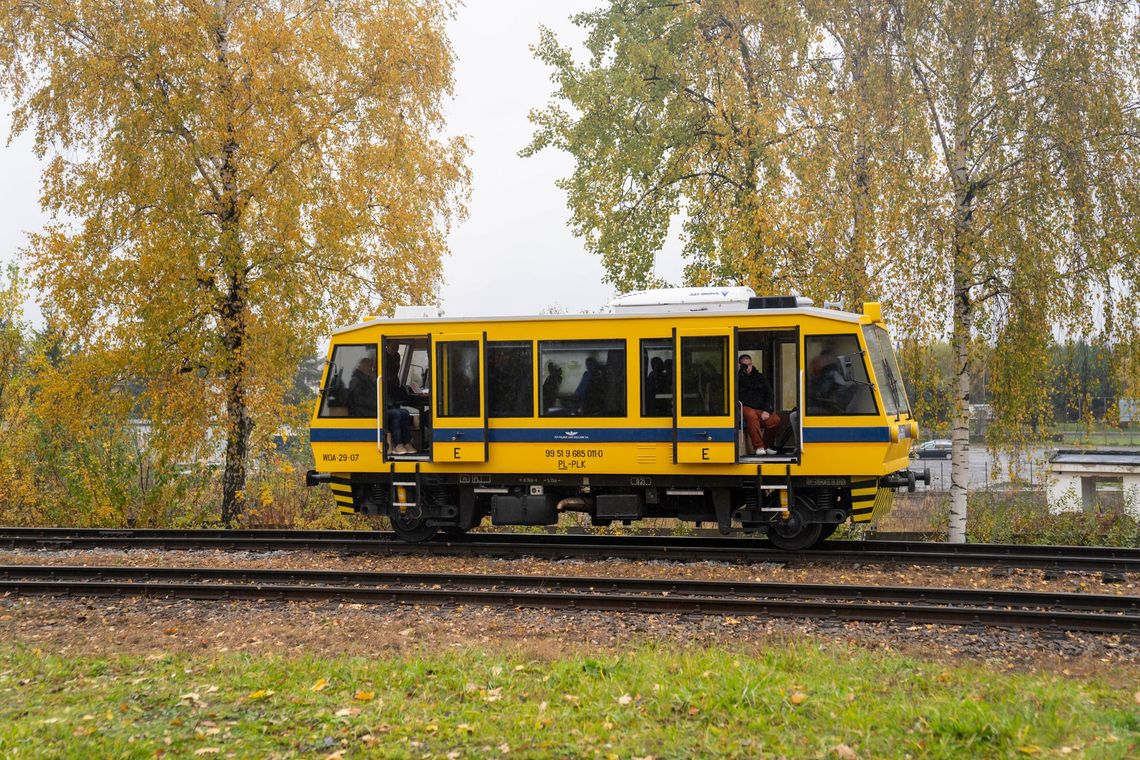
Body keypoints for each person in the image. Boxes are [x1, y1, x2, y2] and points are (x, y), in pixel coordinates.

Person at [738, 353, 781, 455]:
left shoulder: (760, 377)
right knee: (751, 415)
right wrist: (741, 375)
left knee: (775, 420)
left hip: (760, 409)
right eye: (744, 365)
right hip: (743, 407)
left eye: (749, 364)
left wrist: (767, 410)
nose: (747, 367)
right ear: (739, 365)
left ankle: (766, 446)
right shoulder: (736, 378)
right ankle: (759, 447)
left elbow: (769, 394)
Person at [382, 342, 415, 455]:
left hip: (393, 390)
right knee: (397, 413)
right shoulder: (383, 357)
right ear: (387, 345)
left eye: (397, 345)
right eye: (394, 344)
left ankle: (406, 442)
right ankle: (398, 444)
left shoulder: (397, 356)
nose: (396, 347)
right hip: (383, 401)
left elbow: (395, 373)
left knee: (404, 412)